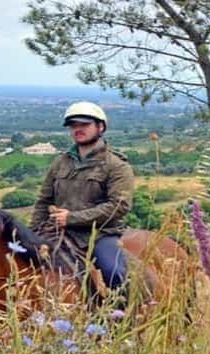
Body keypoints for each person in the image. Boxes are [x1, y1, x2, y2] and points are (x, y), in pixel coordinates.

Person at [30, 101, 134, 292]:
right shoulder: (60, 162)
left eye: (84, 125)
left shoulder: (116, 165)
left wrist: (71, 218)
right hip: (56, 232)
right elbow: (44, 201)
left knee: (114, 272)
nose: (77, 129)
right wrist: (31, 233)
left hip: (99, 235)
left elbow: (118, 206)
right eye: (73, 126)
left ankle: (122, 319)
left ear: (100, 127)